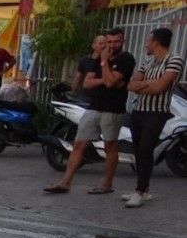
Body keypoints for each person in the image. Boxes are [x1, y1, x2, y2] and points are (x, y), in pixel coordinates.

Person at [45, 27, 134, 195]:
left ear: (123, 41)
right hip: (94, 106)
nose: (112, 45)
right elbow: (88, 83)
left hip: (113, 109)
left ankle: (107, 184)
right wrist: (108, 78)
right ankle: (65, 182)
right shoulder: (99, 57)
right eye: (109, 42)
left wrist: (105, 64)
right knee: (79, 144)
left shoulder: (126, 59)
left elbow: (110, 83)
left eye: (116, 42)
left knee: (110, 146)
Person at [123, 27, 183, 208]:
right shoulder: (147, 62)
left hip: (156, 113)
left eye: (148, 41)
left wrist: (145, 85)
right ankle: (145, 189)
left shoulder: (174, 60)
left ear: (156, 42)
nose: (146, 44)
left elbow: (160, 88)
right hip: (139, 110)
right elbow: (130, 85)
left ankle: (140, 190)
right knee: (137, 151)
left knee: (145, 150)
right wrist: (150, 83)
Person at [71, 34, 106, 101]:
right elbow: (78, 77)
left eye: (105, 44)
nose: (103, 46)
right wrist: (73, 91)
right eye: (100, 43)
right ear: (93, 45)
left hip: (101, 96)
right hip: (85, 96)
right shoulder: (85, 60)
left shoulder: (107, 61)